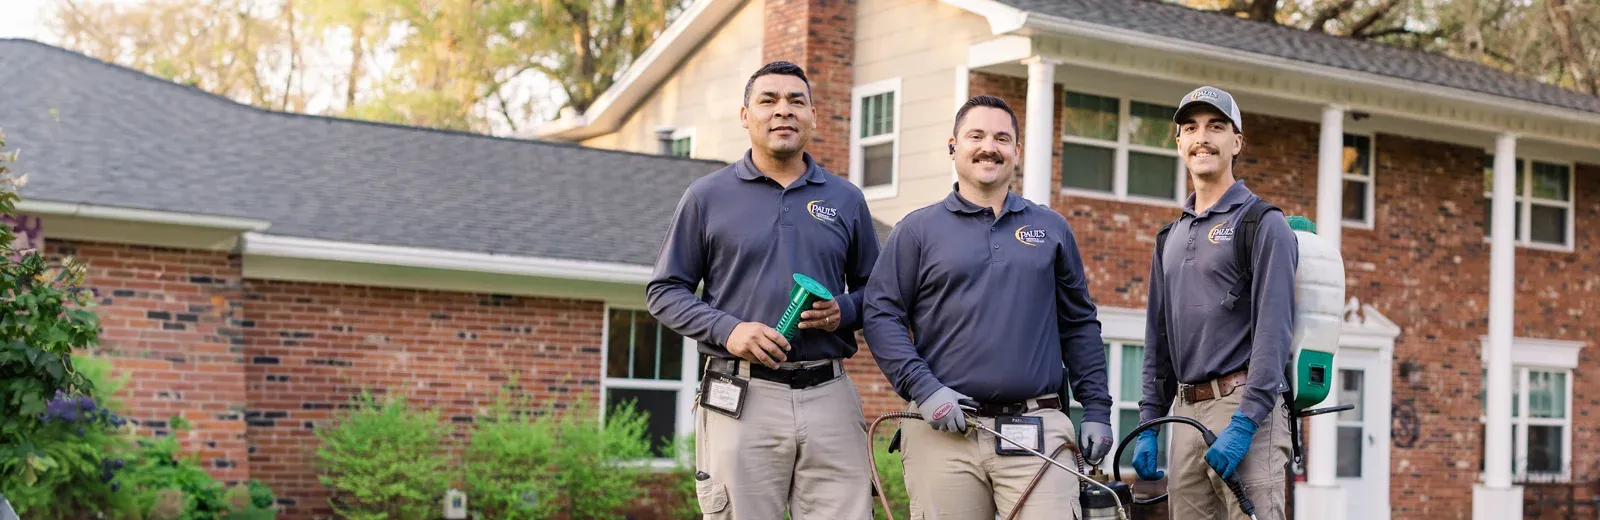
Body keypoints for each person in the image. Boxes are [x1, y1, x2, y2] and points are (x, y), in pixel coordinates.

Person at [646, 60, 881, 520]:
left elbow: (880, 292)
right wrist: (729, 330)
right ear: (745, 115)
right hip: (741, 393)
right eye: (768, 100)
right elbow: (665, 291)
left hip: (828, 393)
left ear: (813, 116)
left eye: (796, 101)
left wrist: (845, 309)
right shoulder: (707, 196)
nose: (783, 111)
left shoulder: (846, 199)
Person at [863, 95, 1114, 520]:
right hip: (942, 432)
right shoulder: (917, 230)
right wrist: (924, 390)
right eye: (975, 135)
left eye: (1002, 138)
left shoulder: (1050, 228)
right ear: (953, 146)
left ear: (1017, 151)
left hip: (1038, 428)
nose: (989, 147)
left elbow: (1079, 325)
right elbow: (880, 315)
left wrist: (1098, 410)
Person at [1132, 85, 1297, 520]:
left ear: (1236, 142)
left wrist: (1245, 423)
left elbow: (1274, 332)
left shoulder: (1262, 223)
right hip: (1185, 414)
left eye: (1216, 127)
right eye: (1191, 128)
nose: (1202, 137)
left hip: (1245, 406)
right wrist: (1150, 422)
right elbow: (1158, 337)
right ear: (1180, 143)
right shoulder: (1170, 237)